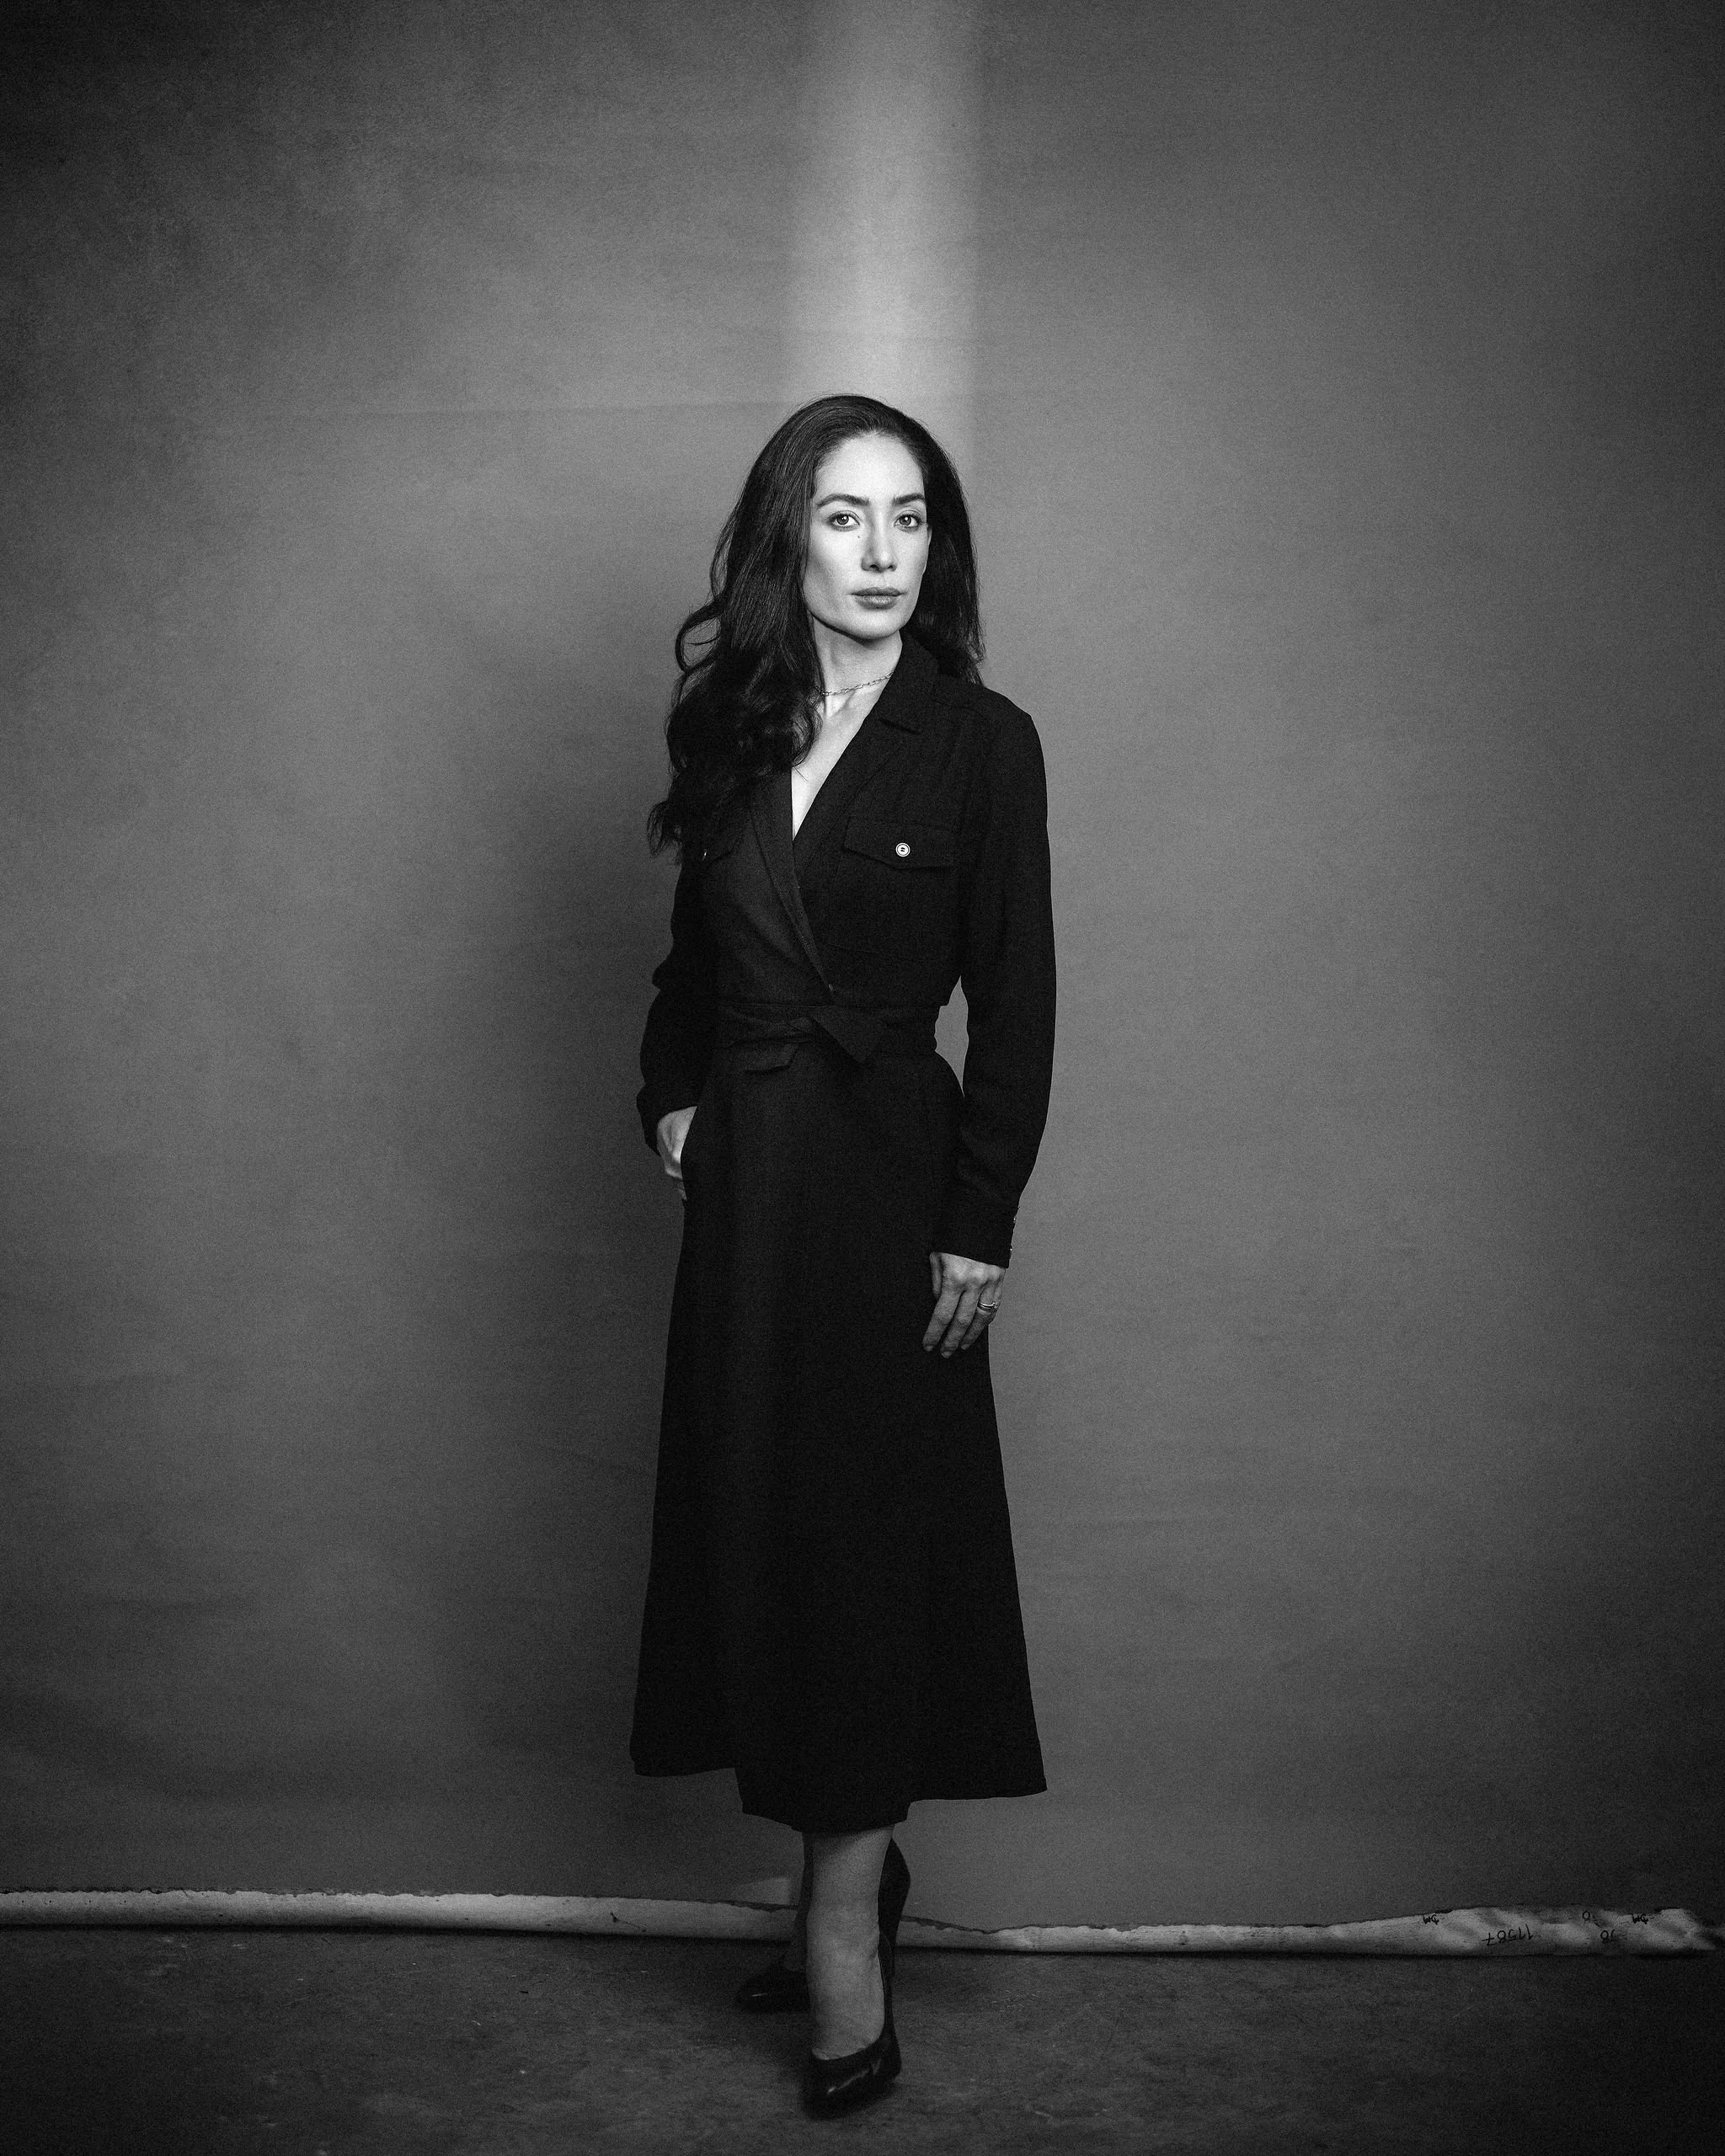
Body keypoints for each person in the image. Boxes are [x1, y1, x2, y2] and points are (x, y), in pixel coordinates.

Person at [632, 393, 1056, 2117]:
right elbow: (684, 969)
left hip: (890, 1196)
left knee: (868, 1545)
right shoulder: (723, 722)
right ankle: (851, 1866)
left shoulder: (983, 737)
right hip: (749, 1207)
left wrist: (979, 1216)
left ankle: (840, 1930)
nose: (885, 555)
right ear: (783, 540)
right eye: (845, 519)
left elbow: (1017, 1005)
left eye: (912, 520)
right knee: (763, 1530)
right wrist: (668, 1098)